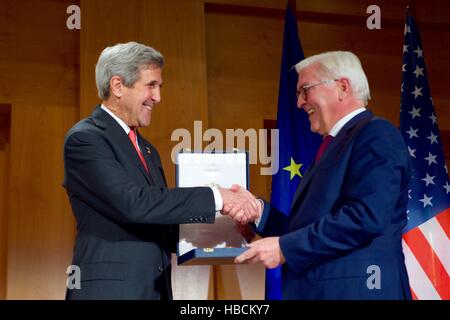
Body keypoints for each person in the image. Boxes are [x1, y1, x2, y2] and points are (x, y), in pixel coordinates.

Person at [63, 41, 258, 300]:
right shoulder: (85, 139)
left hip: (155, 290)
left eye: (159, 87)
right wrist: (218, 197)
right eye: (151, 85)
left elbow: (159, 220)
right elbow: (133, 204)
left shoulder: (147, 150)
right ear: (118, 86)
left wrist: (229, 229)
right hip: (109, 291)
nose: (158, 97)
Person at [232, 51, 412, 299]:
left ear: (342, 87)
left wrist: (285, 248)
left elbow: (365, 217)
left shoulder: (376, 134)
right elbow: (310, 228)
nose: (299, 102)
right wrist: (259, 212)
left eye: (305, 90)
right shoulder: (334, 146)